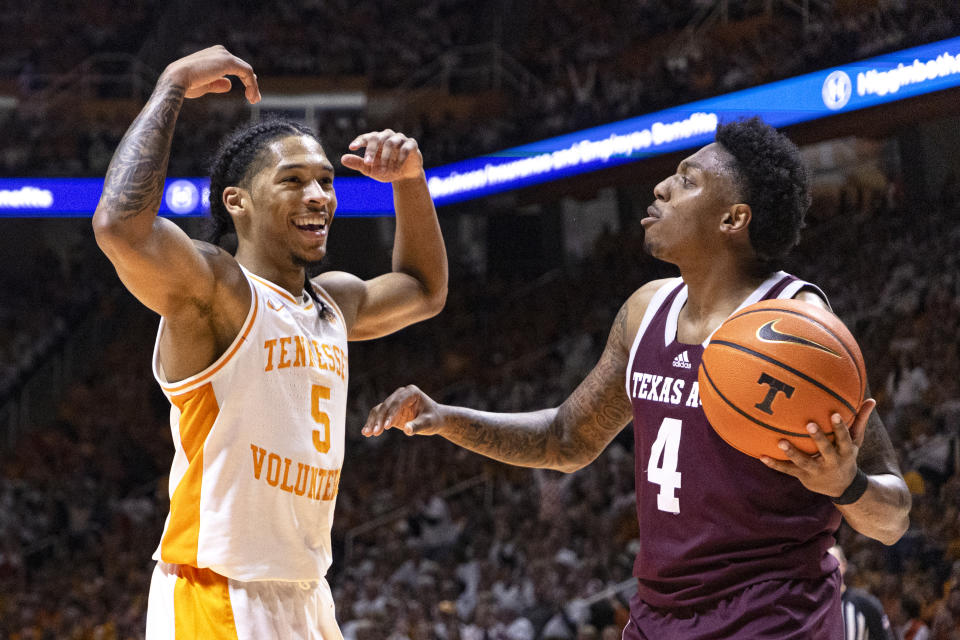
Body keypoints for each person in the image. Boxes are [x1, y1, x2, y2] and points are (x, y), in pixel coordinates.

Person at [364, 117, 910, 638]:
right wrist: (445, 418)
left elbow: (893, 515)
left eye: (687, 181)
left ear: (733, 219)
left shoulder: (796, 323)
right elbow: (565, 439)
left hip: (771, 617)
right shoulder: (647, 309)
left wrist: (847, 486)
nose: (662, 187)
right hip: (658, 615)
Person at [92, 46, 447, 639]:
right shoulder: (217, 291)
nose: (319, 196)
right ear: (238, 202)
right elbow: (118, 226)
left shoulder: (334, 301)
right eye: (294, 181)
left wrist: (409, 183)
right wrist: (173, 85)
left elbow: (424, 288)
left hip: (307, 591)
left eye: (325, 182)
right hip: (217, 590)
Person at [828, 545, 896, 640]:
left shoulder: (866, 604)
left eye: (831, 562)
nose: (826, 568)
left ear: (844, 565)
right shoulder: (809, 606)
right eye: (823, 563)